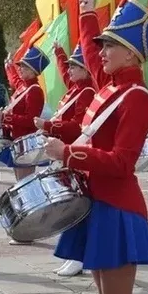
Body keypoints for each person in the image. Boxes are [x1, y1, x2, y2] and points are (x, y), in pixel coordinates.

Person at [46, 0, 148, 294]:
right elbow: (90, 54)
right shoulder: (109, 88)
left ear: (132, 54)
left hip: (117, 206)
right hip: (96, 203)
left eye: (111, 45)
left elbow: (122, 162)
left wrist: (70, 155)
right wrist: (87, 13)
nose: (101, 50)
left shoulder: (137, 97)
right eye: (103, 44)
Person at [35, 41, 95, 277]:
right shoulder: (75, 89)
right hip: (65, 153)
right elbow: (62, 70)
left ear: (86, 69)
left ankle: (79, 255)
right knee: (67, 206)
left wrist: (49, 125)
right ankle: (73, 254)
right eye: (69, 66)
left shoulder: (88, 91)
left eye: (75, 66)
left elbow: (78, 127)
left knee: (75, 205)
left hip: (74, 152)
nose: (69, 70)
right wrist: (59, 52)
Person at [0, 46, 48, 183]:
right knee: (19, 181)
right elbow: (14, 79)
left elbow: (31, 120)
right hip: (16, 139)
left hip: (26, 142)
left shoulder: (34, 90)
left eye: (24, 67)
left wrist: (6, 117)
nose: (20, 69)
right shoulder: (23, 86)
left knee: (24, 182)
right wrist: (8, 66)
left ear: (33, 71)